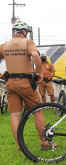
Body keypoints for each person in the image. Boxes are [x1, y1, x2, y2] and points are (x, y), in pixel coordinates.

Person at [0, 19, 55, 152]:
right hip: (25, 83)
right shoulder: (28, 42)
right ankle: (44, 143)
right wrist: (40, 73)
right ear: (24, 31)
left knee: (14, 115)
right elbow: (36, 55)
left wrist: (1, 75)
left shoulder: (4, 45)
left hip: (10, 84)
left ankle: (20, 147)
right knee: (37, 111)